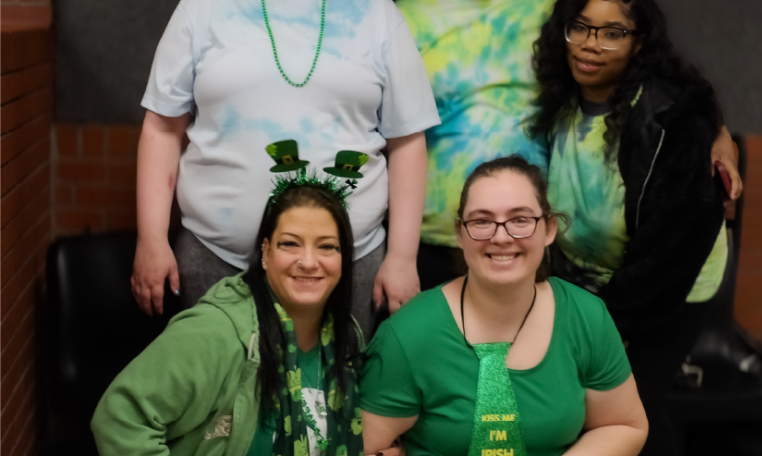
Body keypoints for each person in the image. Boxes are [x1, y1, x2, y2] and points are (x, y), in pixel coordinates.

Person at [130, 0, 441, 339]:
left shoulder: (377, 14)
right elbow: (162, 128)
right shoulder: (202, 8)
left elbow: (408, 141)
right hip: (216, 257)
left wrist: (402, 256)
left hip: (348, 263)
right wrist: (151, 239)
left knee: (341, 390)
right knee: (216, 389)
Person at [395, 0, 742, 292]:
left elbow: (658, 62)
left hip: (528, 240)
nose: (590, 40)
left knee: (517, 367)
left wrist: (716, 129)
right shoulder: (403, 12)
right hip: (426, 239)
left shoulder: (551, 5)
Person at [529, 0, 728, 453]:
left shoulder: (672, 119)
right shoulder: (559, 94)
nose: (590, 45)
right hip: (586, 277)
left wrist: (615, 321)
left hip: (665, 285)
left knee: (633, 407)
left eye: (612, 33)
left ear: (639, 43)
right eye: (580, 27)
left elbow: (674, 248)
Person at [360, 157, 648, 456]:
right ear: (460, 233)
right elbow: (364, 447)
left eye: (520, 220)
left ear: (549, 229)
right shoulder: (409, 333)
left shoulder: (586, 317)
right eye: (482, 221)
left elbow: (623, 425)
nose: (501, 236)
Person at [93, 182, 364, 455]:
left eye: (327, 247)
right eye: (290, 244)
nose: (308, 261)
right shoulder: (215, 330)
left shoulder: (346, 337)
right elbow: (119, 418)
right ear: (266, 253)